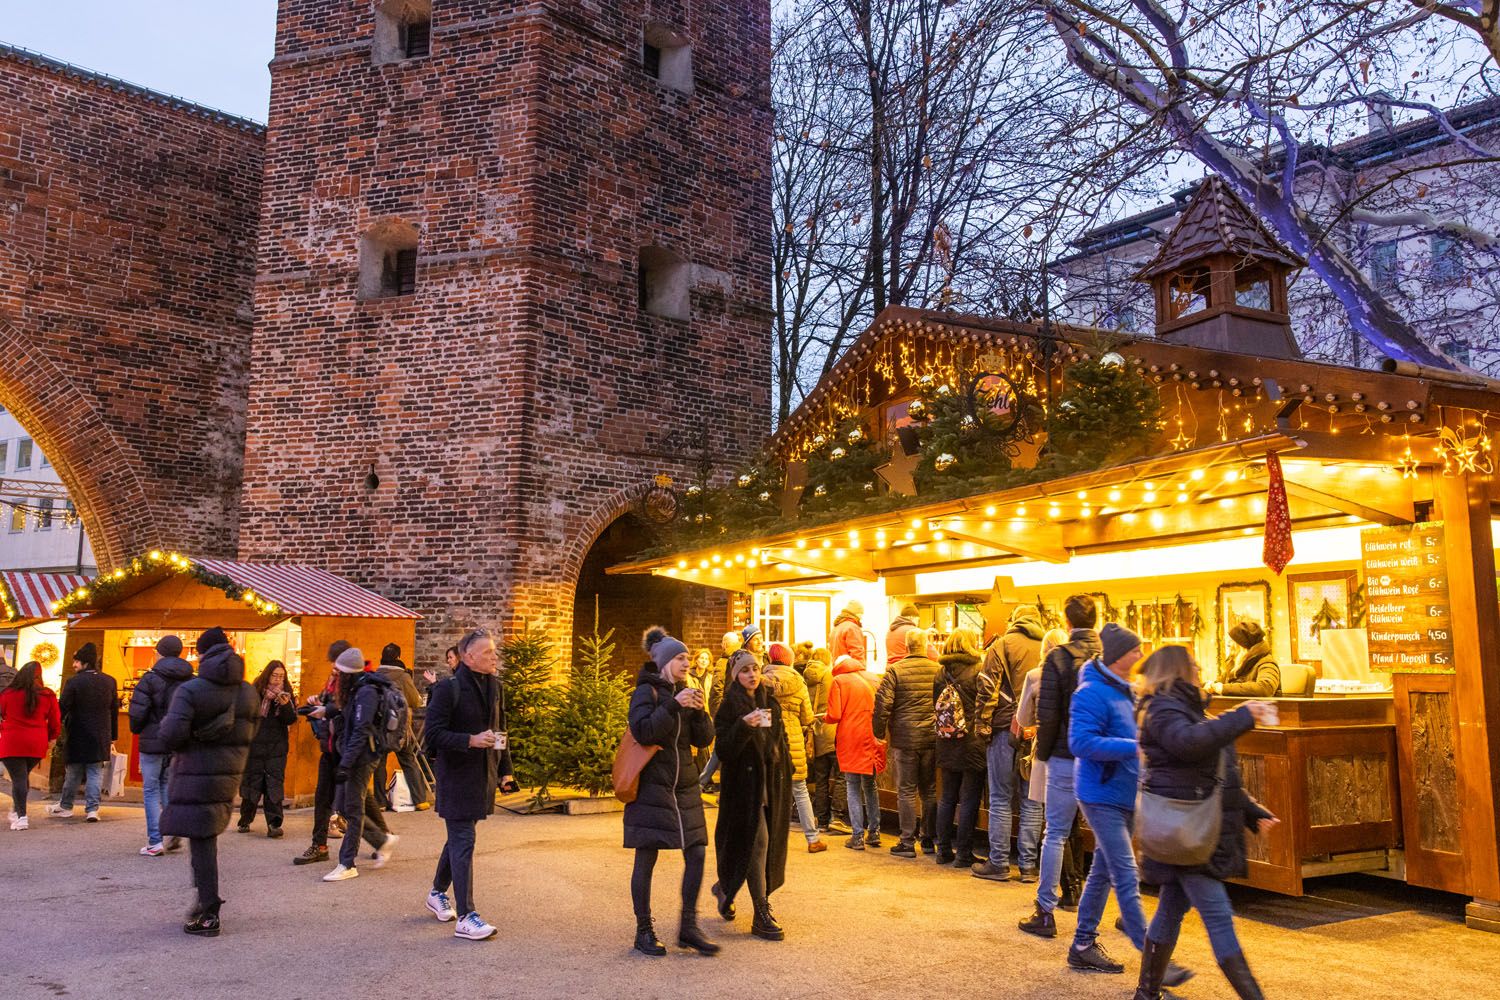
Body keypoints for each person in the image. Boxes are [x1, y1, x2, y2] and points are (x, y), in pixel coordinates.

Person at [1135, 646, 1278, 1000]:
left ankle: (1146, 993)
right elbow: (1190, 745)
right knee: (1218, 917)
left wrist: (1251, 812)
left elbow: (1214, 775)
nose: (1200, 668)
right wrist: (1244, 715)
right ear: (1179, 670)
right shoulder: (1164, 708)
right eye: (1194, 664)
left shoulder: (1185, 709)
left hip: (1189, 831)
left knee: (1171, 908)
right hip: (1187, 833)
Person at [1065, 624, 1193, 986]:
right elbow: (1080, 742)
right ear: (1119, 655)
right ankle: (1153, 958)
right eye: (1135, 650)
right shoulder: (1092, 692)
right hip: (1100, 792)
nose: (1140, 655)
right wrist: (1132, 746)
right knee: (1124, 872)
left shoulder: (1126, 690)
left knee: (1104, 871)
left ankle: (1082, 943)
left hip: (1123, 791)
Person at [158, 627, 259, 937]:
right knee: (205, 836)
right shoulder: (247, 691)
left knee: (202, 841)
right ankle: (204, 902)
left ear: (202, 654)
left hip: (195, 770)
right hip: (229, 772)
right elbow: (251, 731)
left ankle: (209, 909)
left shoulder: (191, 690)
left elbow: (171, 734)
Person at [623, 627, 718, 956]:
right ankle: (643, 930)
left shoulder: (686, 689)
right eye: (680, 657)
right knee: (646, 856)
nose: (687, 662)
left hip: (685, 786)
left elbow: (702, 740)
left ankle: (689, 926)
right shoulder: (646, 691)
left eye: (688, 657)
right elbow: (644, 731)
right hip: (652, 786)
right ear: (665, 662)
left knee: (697, 852)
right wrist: (674, 706)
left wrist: (701, 710)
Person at [424, 628, 518, 942]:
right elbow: (432, 737)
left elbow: (500, 728)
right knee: (463, 840)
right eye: (488, 652)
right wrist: (470, 740)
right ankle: (466, 916)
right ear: (469, 656)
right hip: (456, 777)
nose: (495, 657)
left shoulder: (496, 685)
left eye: (494, 651)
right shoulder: (447, 689)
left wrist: (506, 771)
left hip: (483, 776)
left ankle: (437, 891)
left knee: (459, 838)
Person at [1020, 594, 1101, 937]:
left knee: (1054, 833)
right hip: (1102, 756)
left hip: (1065, 755)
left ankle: (1045, 910)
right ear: (1096, 620)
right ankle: (1116, 912)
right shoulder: (1111, 655)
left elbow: (1047, 715)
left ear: (1067, 624)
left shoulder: (1057, 658)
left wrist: (1043, 755)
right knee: (1110, 835)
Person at [710, 649, 792, 941]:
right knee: (759, 843)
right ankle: (761, 912)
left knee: (760, 847)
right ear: (736, 675)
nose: (752, 675)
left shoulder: (770, 702)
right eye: (745, 671)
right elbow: (723, 750)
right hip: (744, 789)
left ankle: (724, 887)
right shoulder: (729, 705)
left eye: (755, 669)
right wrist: (744, 726)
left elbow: (778, 742)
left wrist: (785, 767)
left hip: (769, 783)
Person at [973, 605, 1045, 882]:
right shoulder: (1049, 647)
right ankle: (1028, 866)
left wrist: (982, 725)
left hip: (1005, 728)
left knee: (1001, 797)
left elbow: (987, 688)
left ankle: (999, 862)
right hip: (1038, 734)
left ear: (1014, 620)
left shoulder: (1002, 645)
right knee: (1032, 799)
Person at [1017, 627, 1084, 909]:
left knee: (1055, 827)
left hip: (1050, 754)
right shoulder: (1083, 672)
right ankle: (1076, 884)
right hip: (1081, 754)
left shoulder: (1036, 676)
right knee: (1074, 825)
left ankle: (1065, 891)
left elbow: (1023, 718)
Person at [321, 645, 398, 882]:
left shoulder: (365, 692)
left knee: (352, 809)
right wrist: (325, 710)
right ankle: (381, 840)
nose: (336, 676)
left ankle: (347, 863)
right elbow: (350, 718)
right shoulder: (359, 688)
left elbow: (361, 729)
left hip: (362, 756)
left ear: (347, 673)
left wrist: (346, 763)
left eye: (339, 672)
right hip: (358, 755)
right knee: (349, 806)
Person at [873, 626, 939, 857]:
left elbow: (883, 704)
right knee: (929, 790)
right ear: (925, 644)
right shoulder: (937, 669)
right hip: (932, 738)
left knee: (906, 791)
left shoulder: (895, 671)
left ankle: (907, 841)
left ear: (907, 646)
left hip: (905, 738)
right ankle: (929, 840)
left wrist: (878, 732)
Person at [128, 635, 192, 855]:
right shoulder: (189, 679)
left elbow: (137, 712)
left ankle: (155, 840)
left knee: (151, 789)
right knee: (167, 786)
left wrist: (138, 729)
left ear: (160, 652)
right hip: (176, 740)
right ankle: (173, 831)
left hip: (153, 739)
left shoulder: (149, 679)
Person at [933, 626, 987, 868]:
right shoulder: (978, 670)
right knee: (969, 799)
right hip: (972, 741)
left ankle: (943, 850)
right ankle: (964, 852)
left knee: (947, 797)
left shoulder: (939, 673)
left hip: (945, 739)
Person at [292, 641, 348, 866]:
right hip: (330, 746)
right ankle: (319, 845)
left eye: (335, 662)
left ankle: (381, 839)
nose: (333, 667)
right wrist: (316, 703)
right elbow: (327, 702)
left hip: (345, 749)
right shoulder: (334, 680)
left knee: (354, 803)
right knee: (323, 798)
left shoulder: (354, 682)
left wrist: (326, 709)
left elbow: (348, 709)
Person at [764, 642, 823, 854]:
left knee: (769, 792)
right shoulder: (799, 682)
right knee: (800, 790)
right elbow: (807, 717)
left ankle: (769, 840)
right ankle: (813, 839)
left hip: (769, 742)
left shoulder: (762, 680)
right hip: (794, 743)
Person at [50, 643, 116, 822]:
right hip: (101, 733)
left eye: (77, 661)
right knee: (95, 772)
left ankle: (66, 806)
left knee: (73, 771)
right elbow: (114, 710)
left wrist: (53, 729)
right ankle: (92, 809)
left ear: (85, 663)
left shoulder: (74, 682)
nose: (74, 665)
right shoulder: (109, 681)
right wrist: (113, 736)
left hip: (78, 732)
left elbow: (62, 708)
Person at [825, 654, 881, 850]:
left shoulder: (839, 681)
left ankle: (857, 836)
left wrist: (823, 718)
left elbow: (834, 714)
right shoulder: (872, 677)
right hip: (871, 735)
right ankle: (874, 832)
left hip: (850, 738)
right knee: (870, 785)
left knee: (852, 785)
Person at [237, 660, 298, 837]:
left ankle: (274, 824)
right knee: (252, 784)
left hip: (276, 747)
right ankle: (245, 819)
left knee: (274, 785)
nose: (278, 679)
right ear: (268, 675)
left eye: (281, 676)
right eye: (275, 675)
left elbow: (290, 720)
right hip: (254, 745)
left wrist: (286, 705)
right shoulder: (255, 691)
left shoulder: (286, 694)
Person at [0, 662, 60, 830]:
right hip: (36, 742)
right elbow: (55, 721)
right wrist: (52, 738)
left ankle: (22, 816)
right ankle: (16, 809)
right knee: (22, 776)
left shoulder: (8, 694)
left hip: (12, 741)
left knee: (18, 778)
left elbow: (2, 713)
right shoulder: (47, 695)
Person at [375, 642, 432, 811]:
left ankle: (379, 802)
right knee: (408, 760)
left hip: (379, 727)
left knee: (379, 763)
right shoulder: (403, 677)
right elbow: (415, 701)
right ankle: (420, 799)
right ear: (398, 657)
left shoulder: (375, 676)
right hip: (400, 729)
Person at [801, 646, 849, 835]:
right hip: (832, 731)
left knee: (820, 778)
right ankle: (836, 817)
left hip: (815, 732)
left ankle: (821, 819)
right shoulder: (831, 676)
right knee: (841, 775)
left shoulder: (805, 677)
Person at [699, 630, 745, 793]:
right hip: (738, 713)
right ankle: (705, 781)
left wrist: (718, 715)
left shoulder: (723, 661)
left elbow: (716, 690)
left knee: (722, 748)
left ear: (725, 644)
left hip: (728, 712)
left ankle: (703, 781)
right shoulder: (745, 657)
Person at [1209, 621, 1281, 698]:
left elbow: (1265, 688)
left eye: (1233, 642)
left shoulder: (1266, 663)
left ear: (1243, 647)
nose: (1229, 645)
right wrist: (1210, 685)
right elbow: (1219, 683)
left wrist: (1223, 688)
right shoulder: (1234, 664)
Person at [686, 647, 716, 781]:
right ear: (696, 660)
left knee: (706, 746)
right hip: (694, 713)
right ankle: (703, 778)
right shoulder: (688, 676)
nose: (704, 661)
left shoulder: (710, 677)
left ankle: (703, 778)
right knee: (698, 747)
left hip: (707, 714)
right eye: (701, 658)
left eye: (706, 659)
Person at [829, 600, 867, 668]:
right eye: (861, 613)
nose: (861, 617)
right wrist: (862, 671)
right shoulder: (852, 627)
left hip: (836, 669)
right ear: (856, 613)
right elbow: (857, 653)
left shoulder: (835, 628)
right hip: (849, 670)